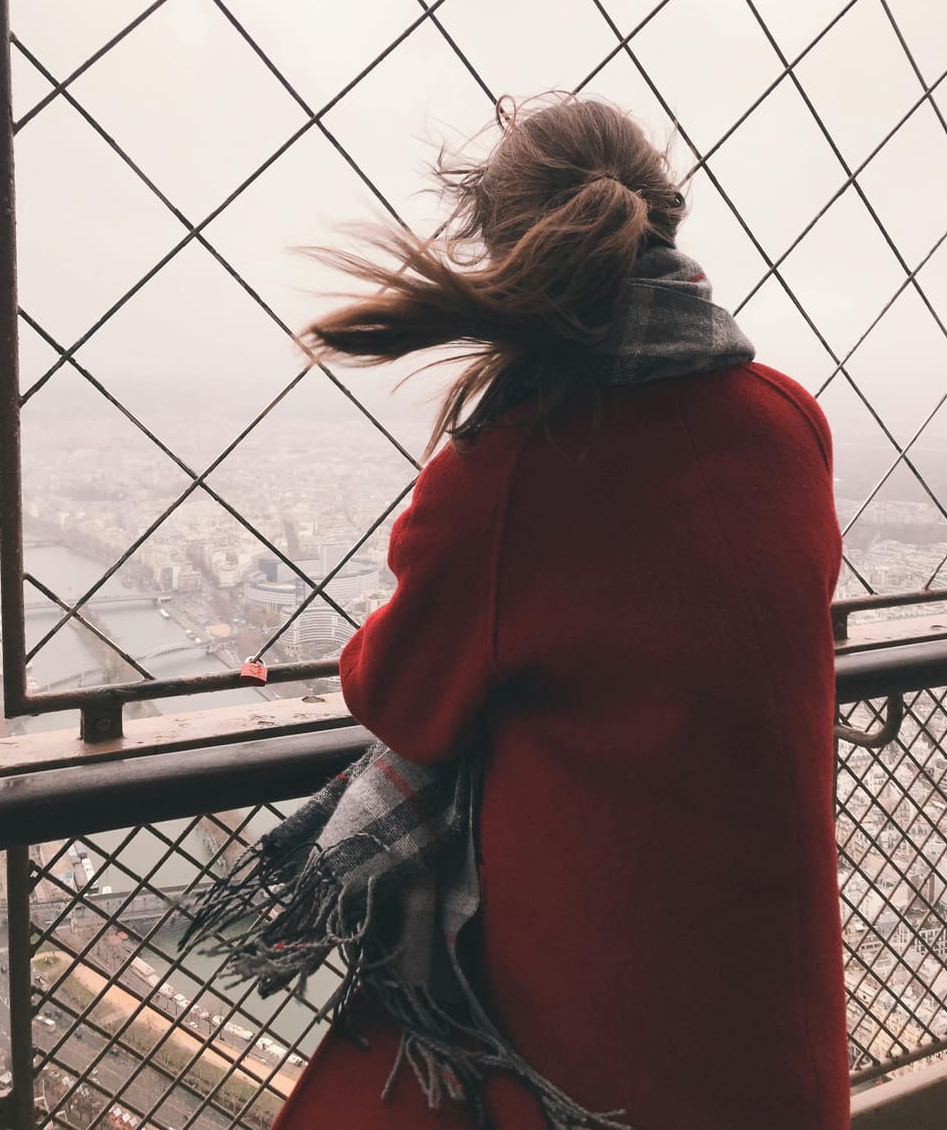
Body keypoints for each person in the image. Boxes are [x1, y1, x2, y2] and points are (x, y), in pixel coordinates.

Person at [272, 95, 850, 1129]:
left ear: (506, 245)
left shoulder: (510, 472)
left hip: (603, 1044)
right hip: (781, 1022)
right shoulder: (788, 420)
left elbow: (398, 696)